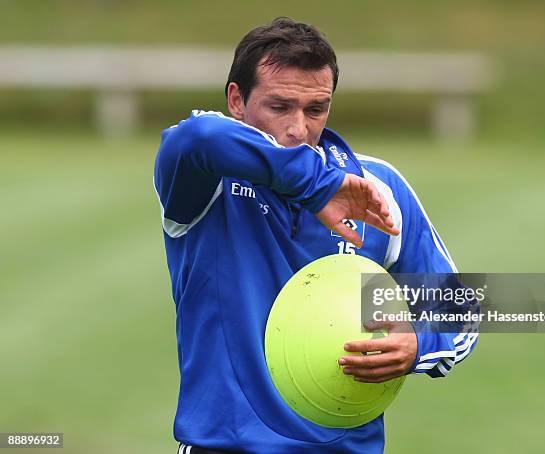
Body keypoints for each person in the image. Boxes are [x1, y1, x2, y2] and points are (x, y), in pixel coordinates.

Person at [154, 17, 478, 454]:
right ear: (236, 99)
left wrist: (420, 344)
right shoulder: (206, 181)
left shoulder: (376, 187)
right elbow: (198, 136)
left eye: (315, 109)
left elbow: (458, 308)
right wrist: (317, 183)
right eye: (279, 106)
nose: (298, 129)